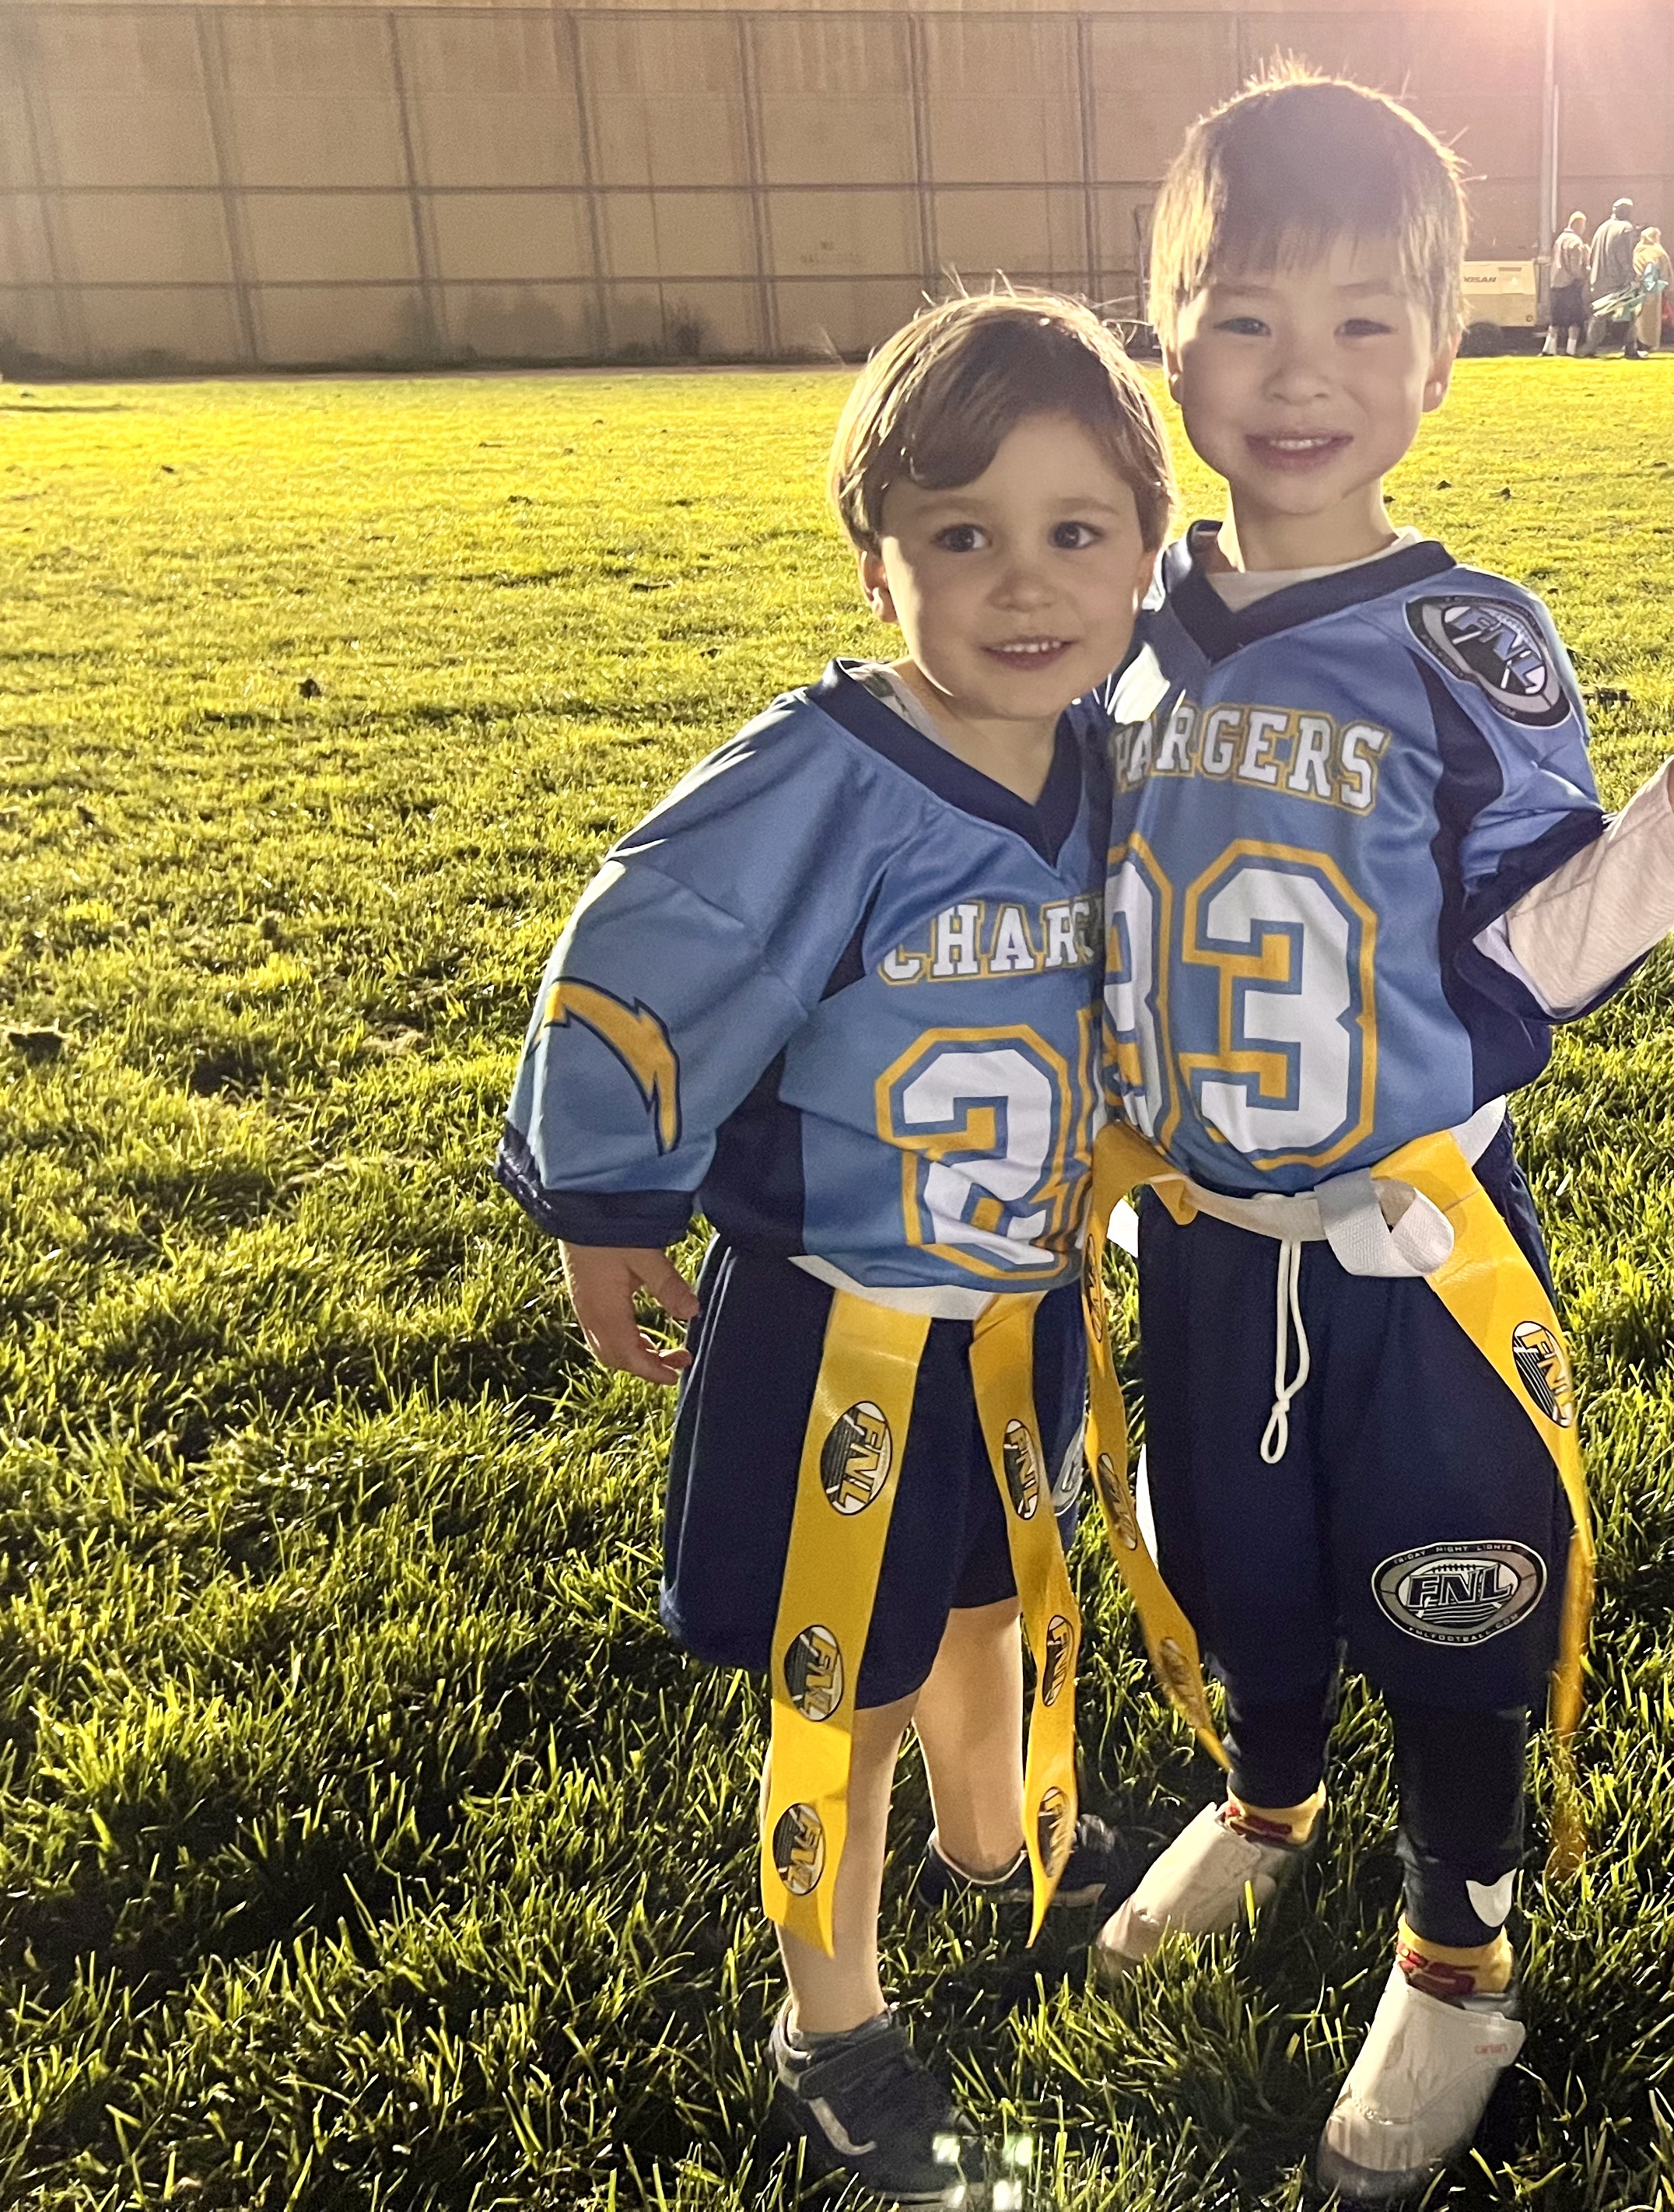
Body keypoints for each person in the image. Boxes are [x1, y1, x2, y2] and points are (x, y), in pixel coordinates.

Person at [1086, 63, 1674, 2205]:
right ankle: (1268, 1806)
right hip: (1200, 1238)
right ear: (1167, 341)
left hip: (1409, 1250)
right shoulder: (1115, 627)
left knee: (1449, 1595)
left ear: (1440, 357)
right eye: (1247, 318)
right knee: (1231, 1567)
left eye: (1364, 322)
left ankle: (1456, 1952)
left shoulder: (1467, 640)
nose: (1302, 374)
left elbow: (1540, 942)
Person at [496, 291, 1175, 2206]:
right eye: (961, 533)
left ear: (1146, 549)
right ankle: (834, 2019)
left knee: (991, 1602)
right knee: (841, 1691)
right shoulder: (822, 775)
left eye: (1074, 529)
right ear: (880, 568)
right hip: (845, 1333)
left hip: (1020, 1311)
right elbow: (653, 944)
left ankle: (1000, 1841)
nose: (1024, 583)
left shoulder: (1117, 759)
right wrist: (610, 1198)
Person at [1585, 195, 1641, 358]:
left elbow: (1591, 256)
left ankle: (1590, 347)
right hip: (1617, 281)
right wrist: (1632, 277)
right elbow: (1625, 257)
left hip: (1598, 280)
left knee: (1599, 315)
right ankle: (1630, 348)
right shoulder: (1625, 228)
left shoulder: (1601, 228)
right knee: (1630, 313)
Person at [1544, 209, 1588, 356]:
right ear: (1578, 224)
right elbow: (1575, 267)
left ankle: (1548, 349)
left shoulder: (1559, 239)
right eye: (1583, 225)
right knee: (1575, 320)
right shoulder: (1575, 242)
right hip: (1570, 285)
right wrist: (1584, 275)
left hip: (1555, 284)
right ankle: (1571, 349)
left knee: (1555, 320)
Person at [1634, 225, 1674, 352]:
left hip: (1638, 289)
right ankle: (1649, 343)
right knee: (1652, 319)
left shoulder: (1638, 250)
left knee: (1638, 318)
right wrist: (1668, 287)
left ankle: (1636, 341)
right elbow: (1665, 272)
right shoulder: (1659, 252)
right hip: (1654, 289)